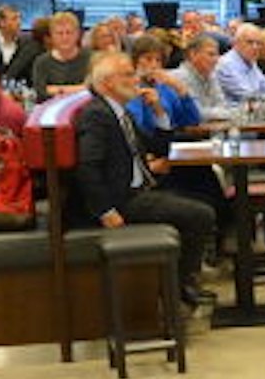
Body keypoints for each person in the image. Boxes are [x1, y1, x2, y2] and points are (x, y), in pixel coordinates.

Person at [70, 53, 216, 307]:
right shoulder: (97, 115)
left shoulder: (121, 112)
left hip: (141, 189)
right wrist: (106, 211)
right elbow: (87, 167)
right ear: (107, 83)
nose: (135, 80)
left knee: (204, 194)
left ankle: (178, 284)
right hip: (122, 200)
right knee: (200, 215)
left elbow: (159, 147)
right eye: (127, 75)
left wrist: (158, 111)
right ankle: (178, 289)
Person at [172, 33, 237, 121]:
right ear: (193, 54)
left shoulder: (211, 75)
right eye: (211, 54)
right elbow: (197, 112)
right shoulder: (180, 76)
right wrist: (224, 113)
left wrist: (223, 112)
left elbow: (223, 105)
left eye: (217, 55)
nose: (216, 59)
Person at [0, 5, 42, 84]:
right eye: (14, 19)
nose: (19, 23)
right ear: (2, 23)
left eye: (19, 18)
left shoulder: (30, 44)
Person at [30, 11, 91, 98]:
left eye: (69, 32)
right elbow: (41, 92)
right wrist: (80, 88)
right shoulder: (41, 62)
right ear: (51, 36)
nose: (65, 38)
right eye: (59, 33)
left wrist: (56, 89)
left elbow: (93, 89)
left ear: (78, 34)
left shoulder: (91, 59)